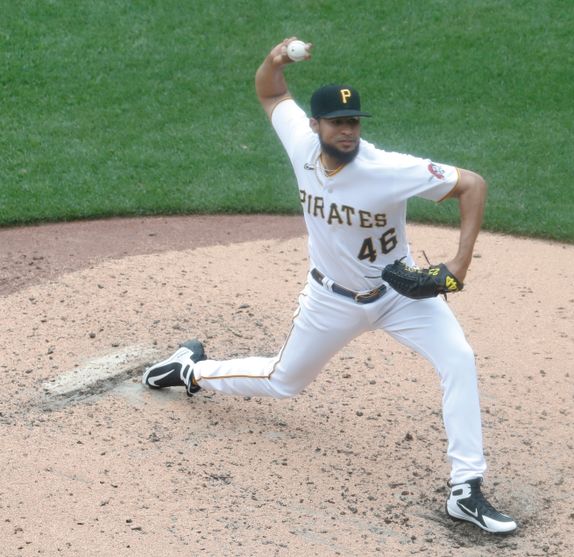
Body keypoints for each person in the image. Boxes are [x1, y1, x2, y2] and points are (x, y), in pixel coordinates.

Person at [142, 37, 517, 534]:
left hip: (398, 294)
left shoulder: (387, 169)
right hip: (330, 300)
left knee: (459, 358)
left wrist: (460, 262)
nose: (347, 130)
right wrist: (274, 60)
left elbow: (473, 184)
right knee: (284, 381)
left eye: (354, 121)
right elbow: (272, 95)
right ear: (316, 125)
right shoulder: (301, 144)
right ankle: (190, 370)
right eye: (338, 122)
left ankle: (466, 488)